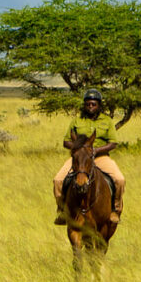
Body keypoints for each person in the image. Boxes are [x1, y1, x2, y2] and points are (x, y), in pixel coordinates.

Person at [52, 88, 125, 224]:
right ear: (84, 105)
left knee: (119, 179)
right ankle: (62, 211)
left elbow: (113, 143)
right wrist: (79, 149)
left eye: (93, 104)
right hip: (80, 158)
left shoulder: (107, 121)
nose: (90, 106)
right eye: (88, 104)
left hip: (101, 157)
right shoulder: (76, 121)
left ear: (98, 105)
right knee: (58, 180)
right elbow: (66, 141)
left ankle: (116, 210)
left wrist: (95, 151)